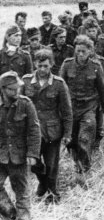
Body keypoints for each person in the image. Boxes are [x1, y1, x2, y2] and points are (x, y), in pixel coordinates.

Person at [22, 50, 72, 202]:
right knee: (34, 163)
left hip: (52, 131)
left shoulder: (59, 84)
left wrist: (67, 134)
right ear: (35, 64)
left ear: (51, 65)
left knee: (51, 165)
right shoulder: (25, 81)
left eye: (45, 66)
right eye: (39, 66)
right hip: (31, 132)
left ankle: (53, 194)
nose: (42, 69)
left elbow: (67, 111)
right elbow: (18, 105)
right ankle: (43, 182)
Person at [60, 35, 104, 175]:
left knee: (84, 137)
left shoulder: (96, 66)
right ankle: (76, 163)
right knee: (71, 140)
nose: (81, 54)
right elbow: (60, 87)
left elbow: (103, 90)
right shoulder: (67, 65)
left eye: (84, 51)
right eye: (78, 51)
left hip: (88, 108)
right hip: (70, 108)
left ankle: (85, 168)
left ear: (90, 51)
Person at [0, 71, 41, 220]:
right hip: (1, 153)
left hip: (19, 154)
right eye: (12, 89)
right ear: (3, 89)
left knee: (21, 190)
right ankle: (10, 213)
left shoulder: (26, 104)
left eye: (18, 88)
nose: (17, 92)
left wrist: (33, 154)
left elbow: (34, 130)